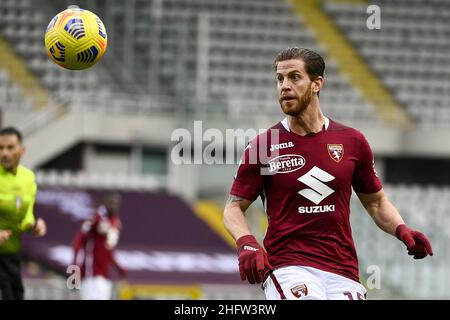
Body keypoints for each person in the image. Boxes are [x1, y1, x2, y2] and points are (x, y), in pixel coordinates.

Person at [223, 47, 433, 300]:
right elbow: (233, 207)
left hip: (342, 269)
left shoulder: (353, 141)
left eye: (294, 77)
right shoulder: (263, 145)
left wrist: (402, 230)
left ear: (316, 84)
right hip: (289, 266)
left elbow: (376, 203)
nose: (284, 86)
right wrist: (246, 241)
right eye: (280, 79)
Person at [0, 127, 47, 300]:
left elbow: (26, 216)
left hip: (11, 256)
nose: (4, 153)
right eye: (0, 148)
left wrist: (35, 225)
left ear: (22, 150)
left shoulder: (28, 178)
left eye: (10, 147)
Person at [72, 192, 126, 300]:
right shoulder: (96, 218)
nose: (114, 205)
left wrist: (118, 267)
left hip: (105, 275)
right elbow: (79, 241)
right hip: (91, 274)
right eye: (112, 202)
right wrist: (73, 269)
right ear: (104, 203)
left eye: (116, 203)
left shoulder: (116, 222)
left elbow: (108, 250)